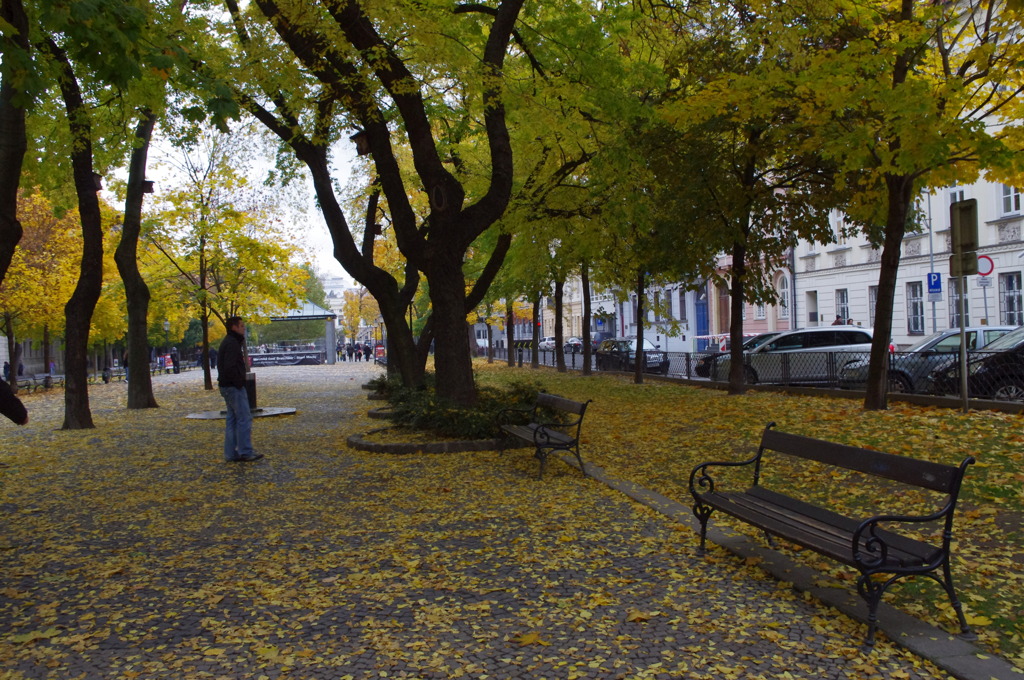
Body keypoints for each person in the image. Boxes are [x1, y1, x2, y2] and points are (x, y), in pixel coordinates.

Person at [217, 316, 262, 463]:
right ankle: (245, 452)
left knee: (232, 419)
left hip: (227, 385)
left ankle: (231, 453)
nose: (244, 328)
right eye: (241, 325)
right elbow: (229, 366)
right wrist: (238, 382)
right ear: (234, 327)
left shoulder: (230, 341)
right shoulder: (232, 343)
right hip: (233, 386)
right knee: (243, 418)